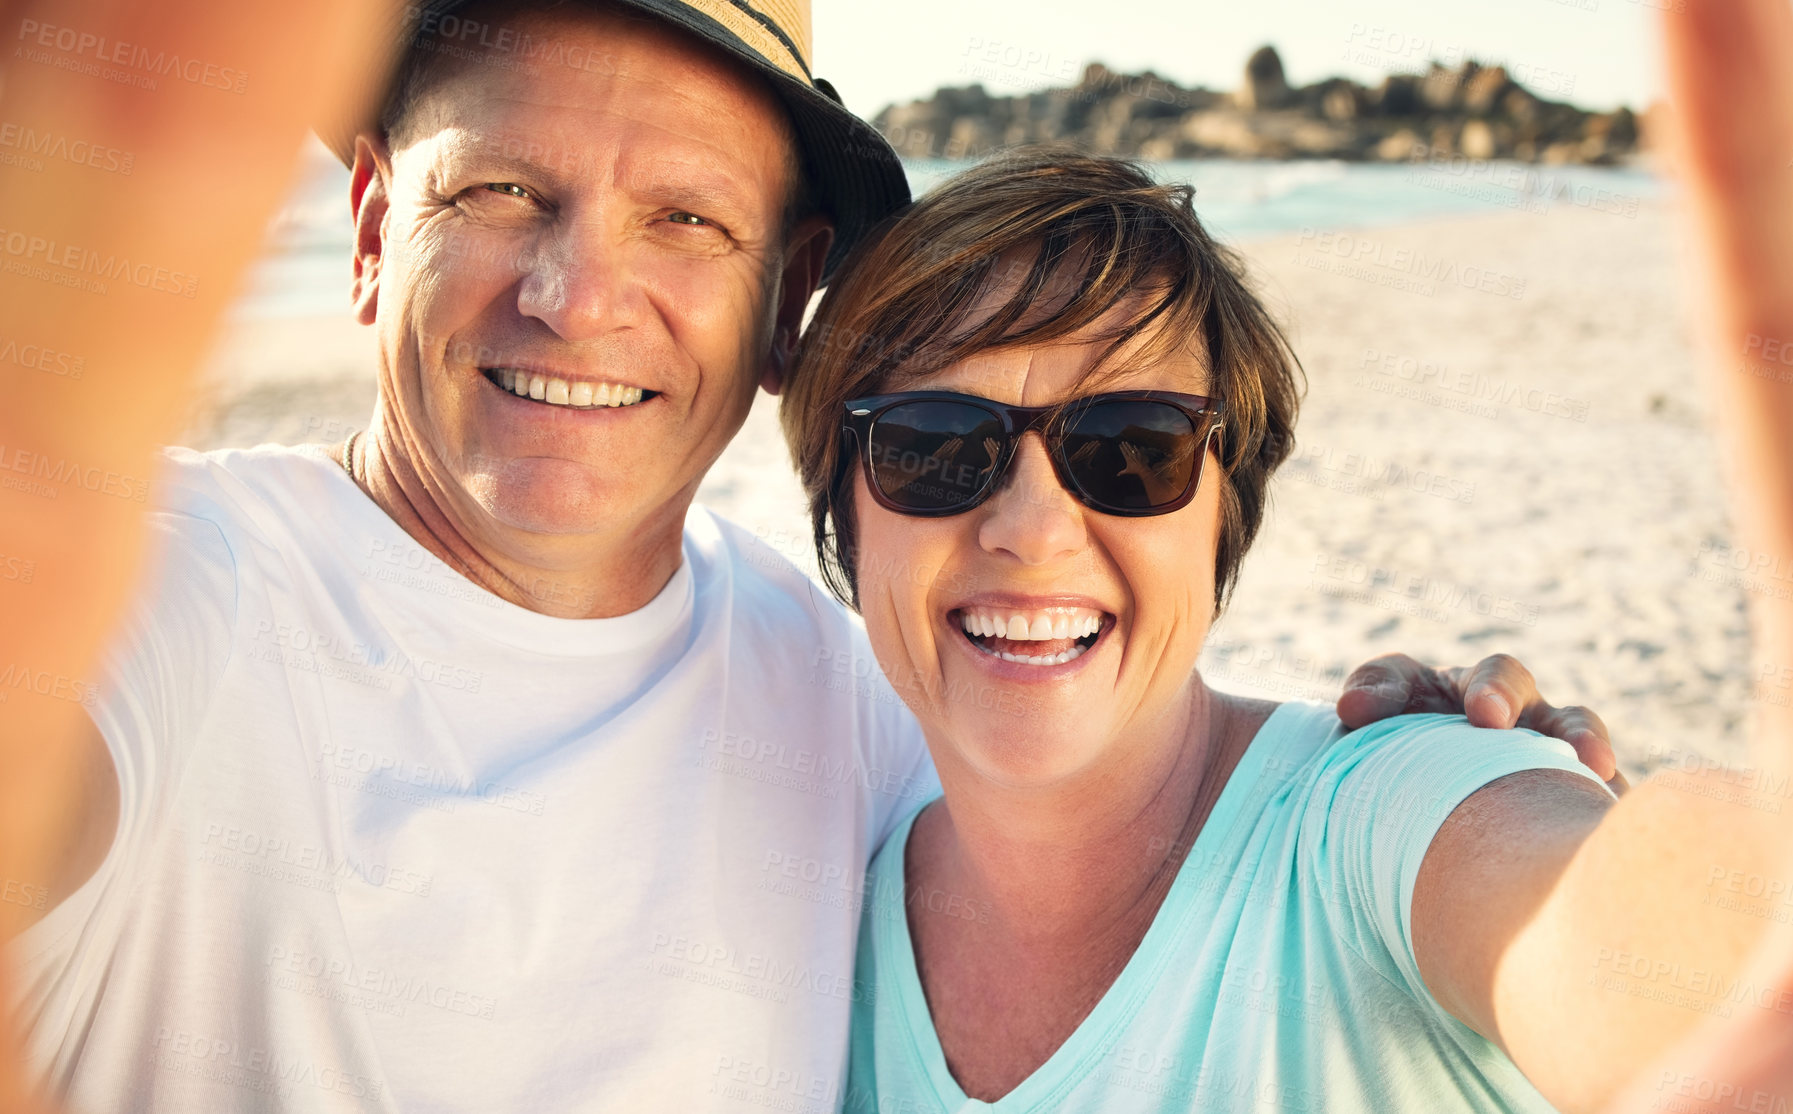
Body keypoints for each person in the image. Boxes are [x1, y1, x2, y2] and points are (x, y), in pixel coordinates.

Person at [0, 0, 1624, 1109]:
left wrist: (1446, 749)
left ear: (789, 300)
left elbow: (1101, 714)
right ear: (366, 231)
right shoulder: (154, 593)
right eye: (502, 192)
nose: (575, 294)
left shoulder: (832, 691)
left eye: (683, 221)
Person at [781, 135, 1793, 1112]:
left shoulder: (1379, 815)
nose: (1033, 528)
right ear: (843, 513)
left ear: (1225, 508)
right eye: (935, 449)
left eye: (1133, 447)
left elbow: (1628, 949)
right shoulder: (826, 937)